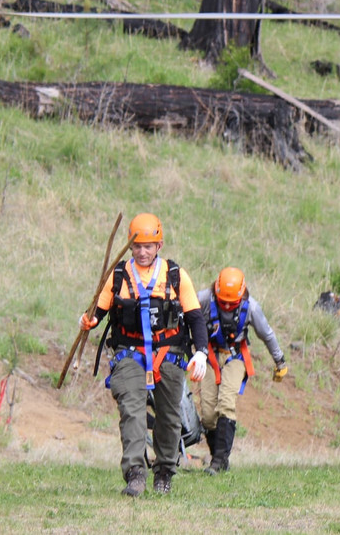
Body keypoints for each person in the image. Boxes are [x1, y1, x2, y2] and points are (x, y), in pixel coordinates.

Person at [79, 213, 210, 497]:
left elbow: (195, 317)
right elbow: (97, 313)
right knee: (132, 411)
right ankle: (135, 473)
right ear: (129, 246)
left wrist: (201, 353)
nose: (142, 252)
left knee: (169, 416)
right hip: (129, 353)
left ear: (159, 245)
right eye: (137, 246)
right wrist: (88, 321)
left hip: (170, 354)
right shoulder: (116, 276)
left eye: (148, 246)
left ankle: (164, 471)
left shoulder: (175, 275)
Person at [194, 267, 288, 474]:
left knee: (226, 403)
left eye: (232, 303)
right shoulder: (203, 299)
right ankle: (219, 458)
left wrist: (279, 360)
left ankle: (218, 462)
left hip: (235, 356)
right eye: (223, 301)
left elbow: (267, 335)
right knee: (209, 415)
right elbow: (187, 320)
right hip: (209, 355)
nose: (227, 306)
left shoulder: (251, 307)